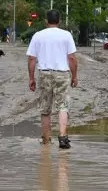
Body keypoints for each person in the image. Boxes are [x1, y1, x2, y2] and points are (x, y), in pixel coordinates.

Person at [27, 10, 78, 149]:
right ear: (59, 21)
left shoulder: (38, 36)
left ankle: (46, 140)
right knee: (63, 106)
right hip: (62, 74)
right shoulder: (66, 35)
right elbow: (72, 58)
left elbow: (32, 58)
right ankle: (62, 137)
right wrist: (74, 76)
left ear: (46, 21)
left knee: (45, 109)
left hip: (44, 74)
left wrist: (31, 78)